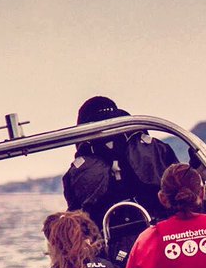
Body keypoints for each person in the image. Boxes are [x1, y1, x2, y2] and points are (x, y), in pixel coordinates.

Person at [62, 96, 180, 227]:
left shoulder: (75, 172)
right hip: (162, 236)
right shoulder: (157, 149)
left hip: (105, 241)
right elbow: (185, 189)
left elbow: (74, 219)